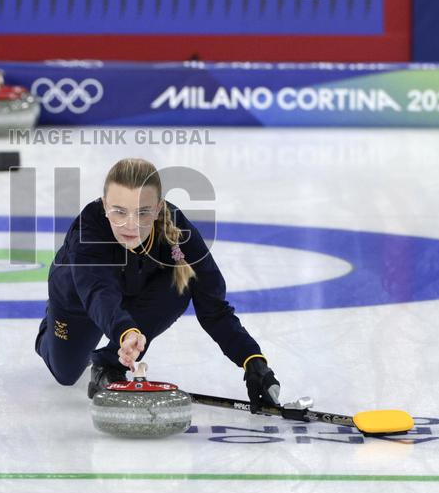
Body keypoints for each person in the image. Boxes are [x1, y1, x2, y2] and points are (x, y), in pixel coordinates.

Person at [35, 158, 281, 410]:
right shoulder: (88, 230)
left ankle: (109, 363)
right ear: (105, 205)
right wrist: (125, 331)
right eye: (119, 211)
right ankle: (49, 323)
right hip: (80, 299)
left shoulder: (177, 231)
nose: (130, 224)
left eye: (142, 212)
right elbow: (99, 293)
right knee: (65, 374)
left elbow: (214, 306)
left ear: (157, 208)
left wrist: (252, 359)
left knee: (181, 282)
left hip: (132, 292)